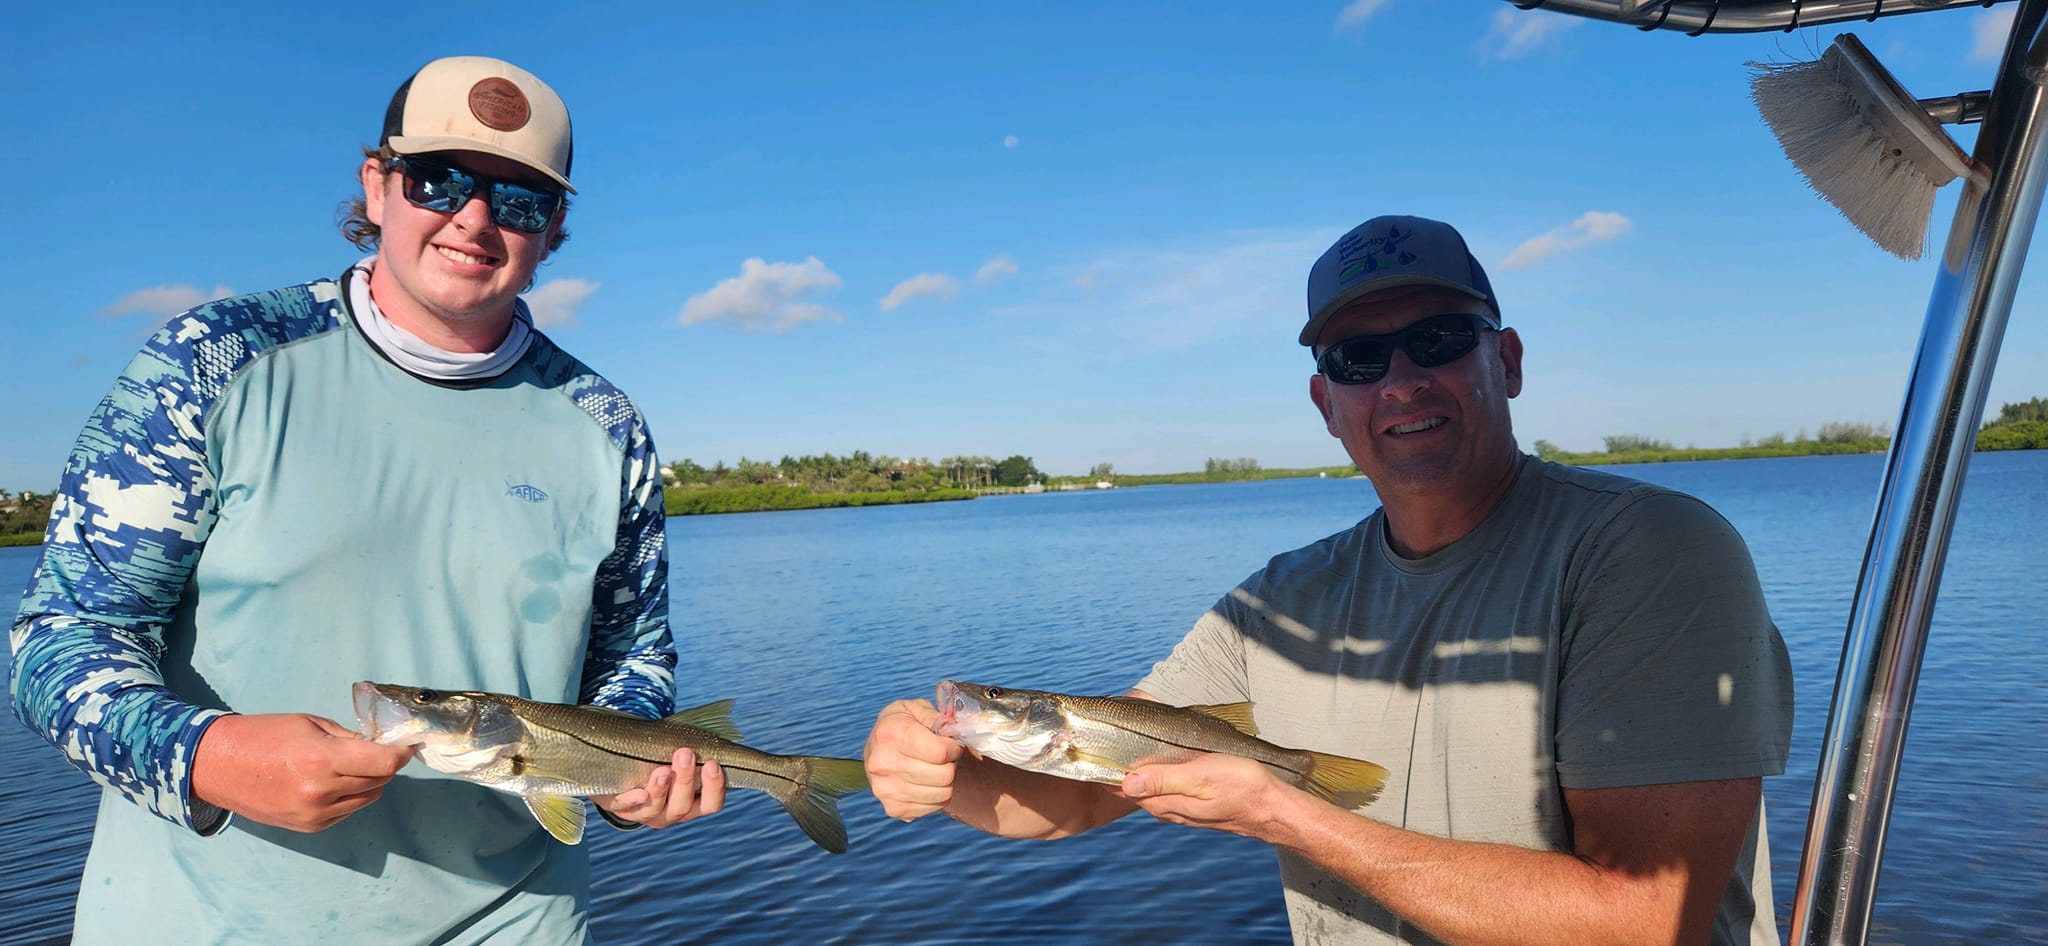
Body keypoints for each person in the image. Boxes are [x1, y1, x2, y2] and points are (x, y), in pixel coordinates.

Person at [864, 214, 1794, 946]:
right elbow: (1081, 787)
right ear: (1325, 403)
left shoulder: (1651, 552)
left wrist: (1287, 814)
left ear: (1506, 362)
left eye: (1439, 339)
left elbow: (1644, 922)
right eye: (1357, 359)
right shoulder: (1277, 605)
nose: (1401, 381)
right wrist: (943, 777)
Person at [9, 56, 724, 944]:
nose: (474, 219)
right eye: (439, 180)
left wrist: (627, 780)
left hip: (521, 919)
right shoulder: (212, 361)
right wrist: (204, 757)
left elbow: (633, 660)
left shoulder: (607, 426)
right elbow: (63, 637)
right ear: (378, 187)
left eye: (520, 200)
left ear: (552, 231)